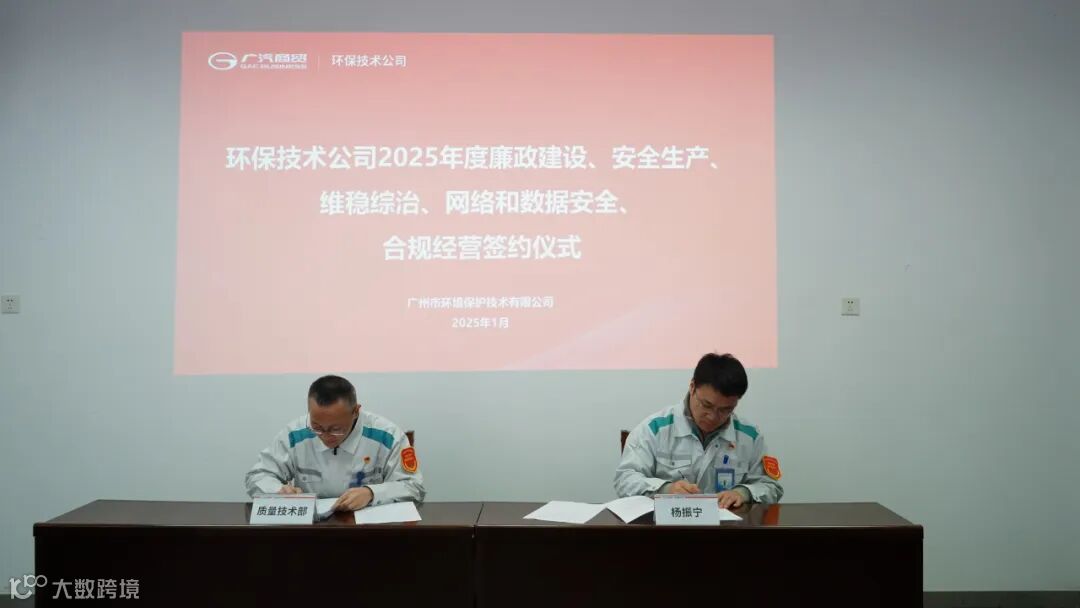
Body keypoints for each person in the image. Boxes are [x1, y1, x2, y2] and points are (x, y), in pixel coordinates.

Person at [614, 353, 782, 508]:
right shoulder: (654, 429)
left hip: (727, 527)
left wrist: (743, 493)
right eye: (707, 405)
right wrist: (666, 489)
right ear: (692, 387)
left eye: (726, 410)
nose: (713, 416)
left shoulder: (750, 437)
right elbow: (625, 479)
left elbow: (771, 486)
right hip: (667, 526)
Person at [245, 375, 424, 511]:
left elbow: (414, 486)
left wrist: (371, 493)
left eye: (336, 429)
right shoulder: (295, 434)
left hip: (369, 531)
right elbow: (257, 476)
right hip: (311, 530)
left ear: (356, 412)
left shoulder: (388, 436)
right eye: (317, 427)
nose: (325, 436)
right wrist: (278, 490)